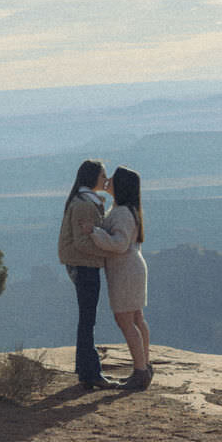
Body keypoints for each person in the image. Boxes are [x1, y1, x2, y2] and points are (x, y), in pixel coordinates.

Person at [88, 166, 152, 390]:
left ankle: (140, 371)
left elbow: (119, 244)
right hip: (133, 268)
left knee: (125, 320)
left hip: (125, 271)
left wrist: (95, 232)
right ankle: (145, 365)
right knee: (137, 318)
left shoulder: (122, 212)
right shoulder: (129, 209)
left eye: (113, 179)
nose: (109, 181)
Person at [58, 159, 119, 390]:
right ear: (93, 177)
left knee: (86, 319)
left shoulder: (84, 200)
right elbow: (82, 242)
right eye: (103, 175)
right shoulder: (84, 204)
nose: (105, 179)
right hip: (84, 266)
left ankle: (85, 371)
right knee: (87, 320)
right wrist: (108, 251)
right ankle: (91, 373)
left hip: (82, 265)